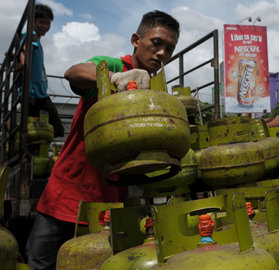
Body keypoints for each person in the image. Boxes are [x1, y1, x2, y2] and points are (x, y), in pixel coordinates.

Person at [25, 10, 180, 269]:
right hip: (69, 190)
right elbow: (73, 72)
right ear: (136, 40)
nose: (162, 53)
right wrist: (114, 78)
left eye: (170, 48)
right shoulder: (114, 66)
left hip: (113, 199)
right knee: (41, 262)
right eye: (156, 43)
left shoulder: (155, 87)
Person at [17, 3, 64, 137]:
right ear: (32, 21)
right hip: (35, 94)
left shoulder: (36, 38)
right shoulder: (31, 35)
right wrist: (22, 64)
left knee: (36, 127)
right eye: (41, 22)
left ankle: (30, 148)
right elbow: (24, 52)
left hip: (37, 92)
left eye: (48, 23)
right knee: (58, 128)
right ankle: (16, 128)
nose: (45, 26)